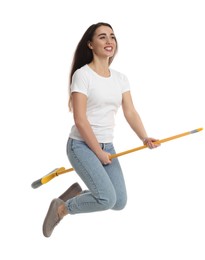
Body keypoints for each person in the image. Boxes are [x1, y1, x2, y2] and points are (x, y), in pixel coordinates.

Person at [42, 22, 160, 237]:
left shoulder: (120, 78)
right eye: (102, 37)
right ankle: (61, 208)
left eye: (112, 37)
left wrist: (144, 137)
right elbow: (80, 119)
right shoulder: (83, 75)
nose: (109, 41)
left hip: (107, 146)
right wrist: (97, 151)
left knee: (119, 202)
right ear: (90, 44)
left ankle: (71, 197)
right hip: (82, 146)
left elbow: (130, 112)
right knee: (106, 198)